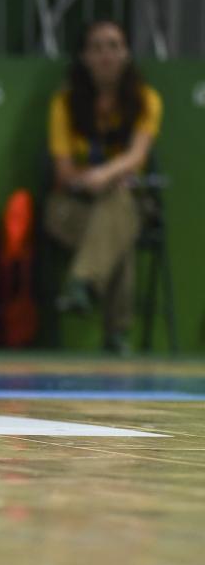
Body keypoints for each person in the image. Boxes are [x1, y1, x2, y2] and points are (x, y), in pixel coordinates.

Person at [45, 20, 161, 355]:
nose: (105, 54)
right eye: (96, 47)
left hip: (125, 199)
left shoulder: (146, 100)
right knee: (117, 229)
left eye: (114, 45)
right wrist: (88, 181)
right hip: (71, 207)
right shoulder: (64, 104)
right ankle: (117, 334)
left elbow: (137, 155)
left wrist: (105, 175)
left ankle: (82, 282)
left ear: (126, 53)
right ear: (83, 56)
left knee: (119, 206)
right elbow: (64, 172)